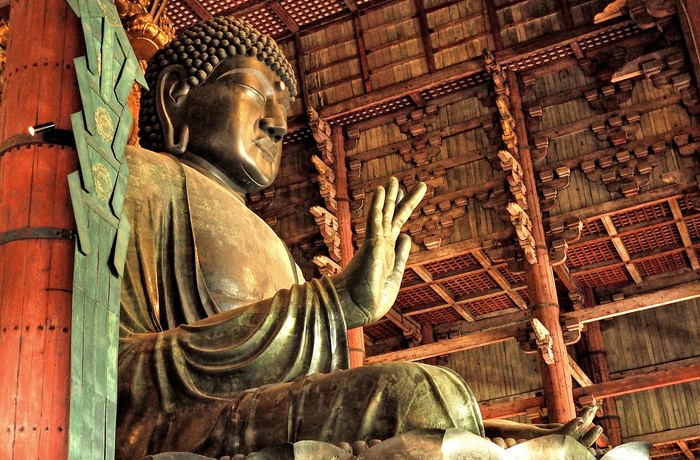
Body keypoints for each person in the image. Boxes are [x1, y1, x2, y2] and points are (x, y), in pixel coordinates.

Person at [116, 16, 598, 460]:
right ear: (175, 95)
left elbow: (311, 393)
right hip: (186, 425)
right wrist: (334, 304)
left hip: (254, 417)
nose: (278, 123)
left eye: (282, 107)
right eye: (252, 90)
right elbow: (119, 373)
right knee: (418, 393)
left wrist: (484, 433)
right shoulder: (141, 180)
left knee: (433, 395)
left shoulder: (278, 249)